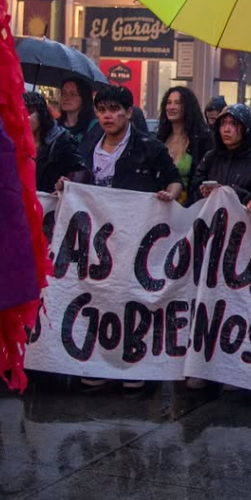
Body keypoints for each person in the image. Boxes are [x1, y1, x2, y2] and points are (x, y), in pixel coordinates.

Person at [59, 85, 182, 396]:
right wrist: (66, 184)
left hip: (135, 236)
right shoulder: (88, 143)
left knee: (133, 300)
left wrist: (169, 196)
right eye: (102, 110)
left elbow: (174, 179)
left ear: (129, 112)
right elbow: (76, 177)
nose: (108, 116)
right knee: (97, 298)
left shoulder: (148, 146)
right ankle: (98, 365)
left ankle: (134, 369)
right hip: (96, 240)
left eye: (115, 110)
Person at [191, 103, 251, 209]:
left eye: (233, 124)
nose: (226, 129)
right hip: (210, 220)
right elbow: (193, 191)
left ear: (245, 127)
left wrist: (231, 192)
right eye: (223, 123)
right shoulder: (210, 158)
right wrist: (203, 192)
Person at [156, 86, 214, 204]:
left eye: (177, 103)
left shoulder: (202, 140)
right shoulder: (160, 139)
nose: (171, 107)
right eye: (169, 102)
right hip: (160, 207)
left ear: (187, 107)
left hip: (191, 209)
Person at [24, 91, 86, 192]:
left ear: (41, 114)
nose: (23, 118)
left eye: (29, 113)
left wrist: (66, 182)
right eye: (19, 113)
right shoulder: (14, 143)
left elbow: (81, 173)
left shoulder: (63, 141)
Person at [57, 77, 97, 143]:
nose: (66, 98)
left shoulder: (94, 127)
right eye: (63, 93)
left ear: (84, 98)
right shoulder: (54, 126)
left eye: (72, 94)